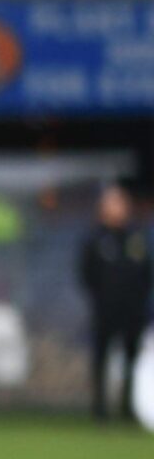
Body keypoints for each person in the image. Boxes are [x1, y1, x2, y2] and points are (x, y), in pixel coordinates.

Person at [79, 181, 150, 425]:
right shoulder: (95, 239)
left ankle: (127, 407)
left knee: (132, 356)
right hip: (104, 310)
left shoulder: (136, 238)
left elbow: (146, 272)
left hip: (132, 310)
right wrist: (100, 297)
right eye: (111, 203)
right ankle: (99, 408)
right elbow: (86, 274)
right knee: (101, 357)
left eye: (120, 203)